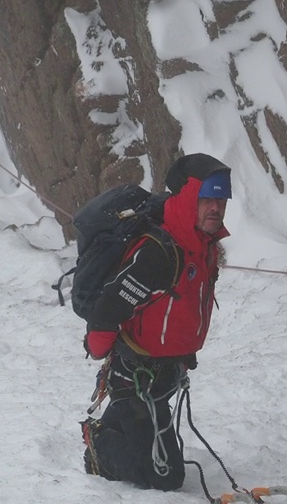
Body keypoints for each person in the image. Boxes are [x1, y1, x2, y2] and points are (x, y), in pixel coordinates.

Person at [81, 153, 232, 491]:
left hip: (162, 376)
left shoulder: (203, 247)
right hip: (136, 377)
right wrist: (98, 346)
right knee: (165, 476)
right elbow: (110, 308)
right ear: (186, 200)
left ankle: (121, 424)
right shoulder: (159, 253)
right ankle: (98, 443)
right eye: (206, 199)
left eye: (221, 200)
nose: (215, 208)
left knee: (152, 445)